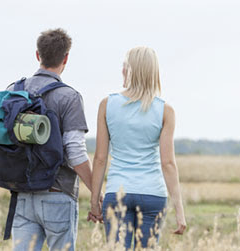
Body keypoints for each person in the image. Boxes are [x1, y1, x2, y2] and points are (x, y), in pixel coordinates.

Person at [88, 46, 187, 249]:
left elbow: (100, 158)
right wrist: (179, 210)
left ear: (129, 70)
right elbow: (168, 163)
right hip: (153, 194)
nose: (121, 70)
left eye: (124, 66)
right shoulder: (165, 110)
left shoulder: (107, 105)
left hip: (117, 193)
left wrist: (94, 202)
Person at [10, 28, 95, 251]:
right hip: (58, 193)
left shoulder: (14, 91)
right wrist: (97, 192)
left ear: (37, 55)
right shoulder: (69, 97)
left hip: (22, 195)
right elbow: (75, 151)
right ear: (66, 58)